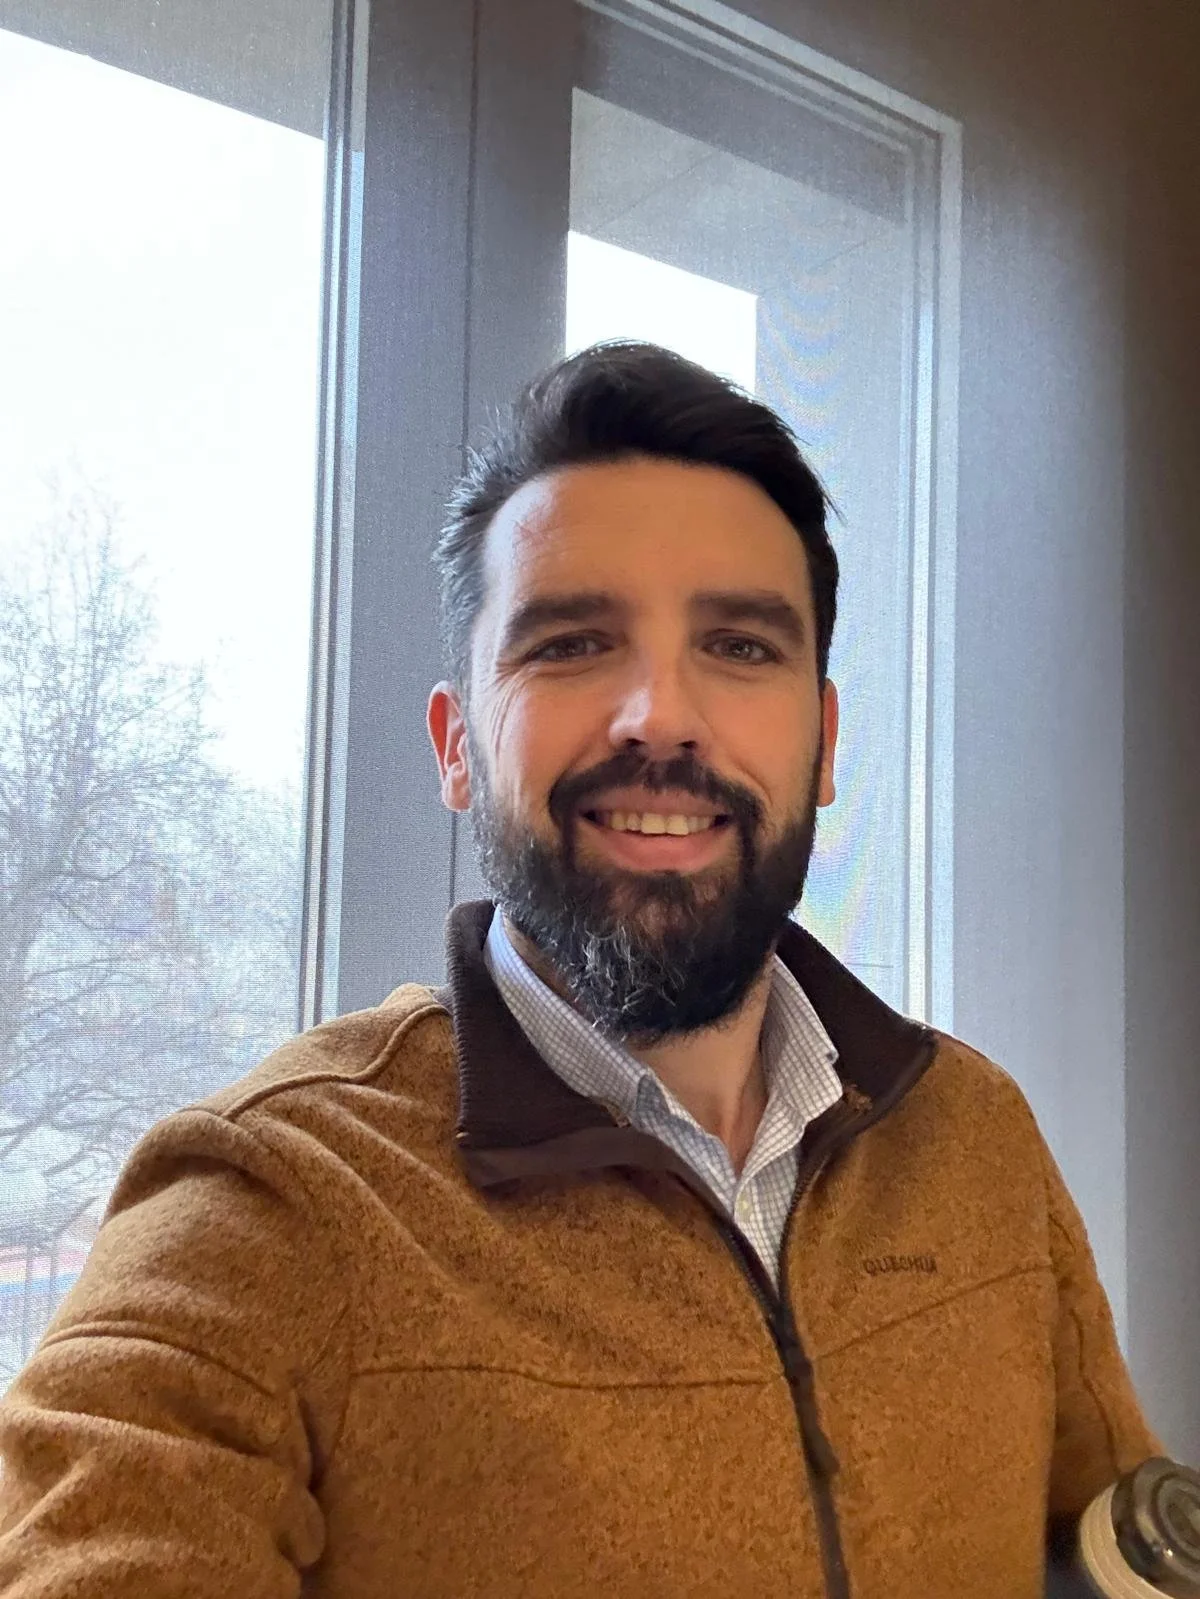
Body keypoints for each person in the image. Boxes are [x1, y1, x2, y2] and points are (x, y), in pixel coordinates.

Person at [0, 342, 1159, 1597]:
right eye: (569, 644)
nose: (660, 713)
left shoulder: (974, 1133)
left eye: (742, 647)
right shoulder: (271, 1208)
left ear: (825, 745)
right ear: (456, 747)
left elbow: (1123, 1543)